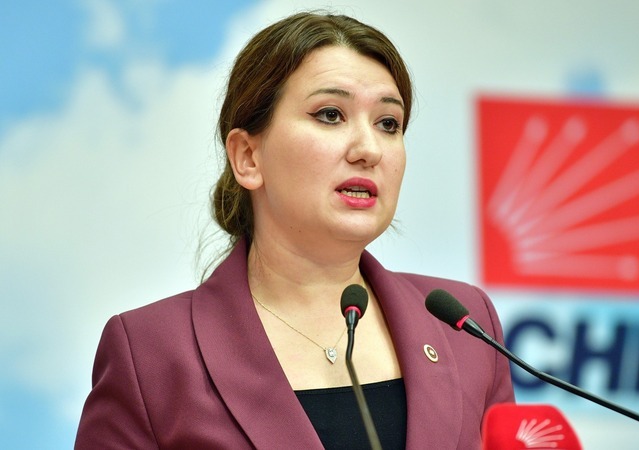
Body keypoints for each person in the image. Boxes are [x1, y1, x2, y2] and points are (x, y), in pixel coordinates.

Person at [75, 11, 514, 449]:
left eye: (388, 124)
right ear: (248, 157)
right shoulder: (150, 354)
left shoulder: (465, 328)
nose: (369, 150)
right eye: (330, 114)